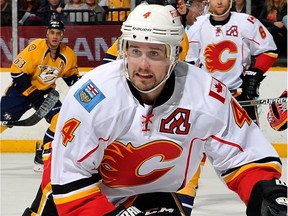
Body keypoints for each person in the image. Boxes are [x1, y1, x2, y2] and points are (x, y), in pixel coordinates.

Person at [49, 3, 287, 216]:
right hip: (87, 196)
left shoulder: (206, 94)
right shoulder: (92, 97)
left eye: (154, 53)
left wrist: (265, 193)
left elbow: (243, 156)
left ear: (174, 55)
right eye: (135, 51)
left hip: (153, 194)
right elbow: (71, 180)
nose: (142, 65)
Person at [0, 19, 80, 173]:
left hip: (46, 93)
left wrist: (81, 83)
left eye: (58, 33)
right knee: (2, 122)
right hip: (20, 91)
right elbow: (17, 73)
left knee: (59, 120)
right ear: (47, 34)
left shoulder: (68, 55)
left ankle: (43, 154)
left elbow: (71, 78)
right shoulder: (36, 47)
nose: (55, 36)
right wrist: (32, 93)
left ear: (62, 35)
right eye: (52, 33)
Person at [185, 0, 278, 126]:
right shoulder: (198, 25)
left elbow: (269, 51)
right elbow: (190, 63)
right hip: (209, 99)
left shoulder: (246, 22)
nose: (219, 2)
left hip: (240, 95)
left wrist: (253, 75)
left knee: (250, 142)